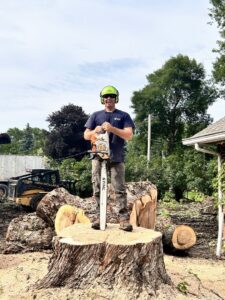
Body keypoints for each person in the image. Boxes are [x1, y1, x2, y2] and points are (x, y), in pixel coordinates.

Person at [84, 85, 135, 231]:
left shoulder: (124, 116)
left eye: (111, 96)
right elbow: (86, 135)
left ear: (116, 98)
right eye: (106, 96)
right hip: (97, 156)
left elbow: (129, 135)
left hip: (116, 156)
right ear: (102, 99)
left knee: (119, 189)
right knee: (97, 188)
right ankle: (99, 217)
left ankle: (123, 219)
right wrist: (95, 130)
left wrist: (112, 128)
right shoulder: (95, 115)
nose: (109, 99)